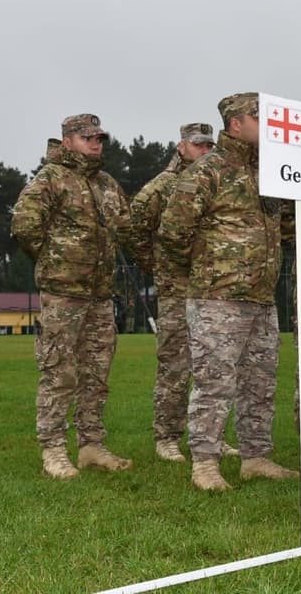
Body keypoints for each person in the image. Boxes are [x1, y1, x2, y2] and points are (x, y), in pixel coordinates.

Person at [157, 92, 298, 491]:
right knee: (215, 382)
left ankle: (256, 457)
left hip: (261, 297)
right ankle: (205, 462)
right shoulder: (208, 170)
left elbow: (284, 226)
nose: (268, 124)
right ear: (236, 124)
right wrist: (211, 267)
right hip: (217, 298)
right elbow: (173, 232)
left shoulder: (270, 171)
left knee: (260, 382)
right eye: (260, 117)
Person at [11, 114, 135, 479]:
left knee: (96, 372)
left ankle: (92, 445)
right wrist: (55, 261)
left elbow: (126, 228)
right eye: (87, 138)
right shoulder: (50, 178)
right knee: (58, 371)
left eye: (99, 138)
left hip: (100, 295)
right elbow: (24, 225)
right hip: (64, 294)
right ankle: (53, 449)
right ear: (67, 141)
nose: (95, 143)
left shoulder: (107, 184)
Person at [129, 122, 217, 463]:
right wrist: (156, 264)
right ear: (181, 147)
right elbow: (133, 226)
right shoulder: (163, 186)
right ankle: (166, 437)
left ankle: (209, 436)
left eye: (209, 145)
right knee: (176, 366)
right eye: (198, 145)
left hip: (211, 288)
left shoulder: (217, 181)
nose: (205, 151)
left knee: (213, 367)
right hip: (177, 290)